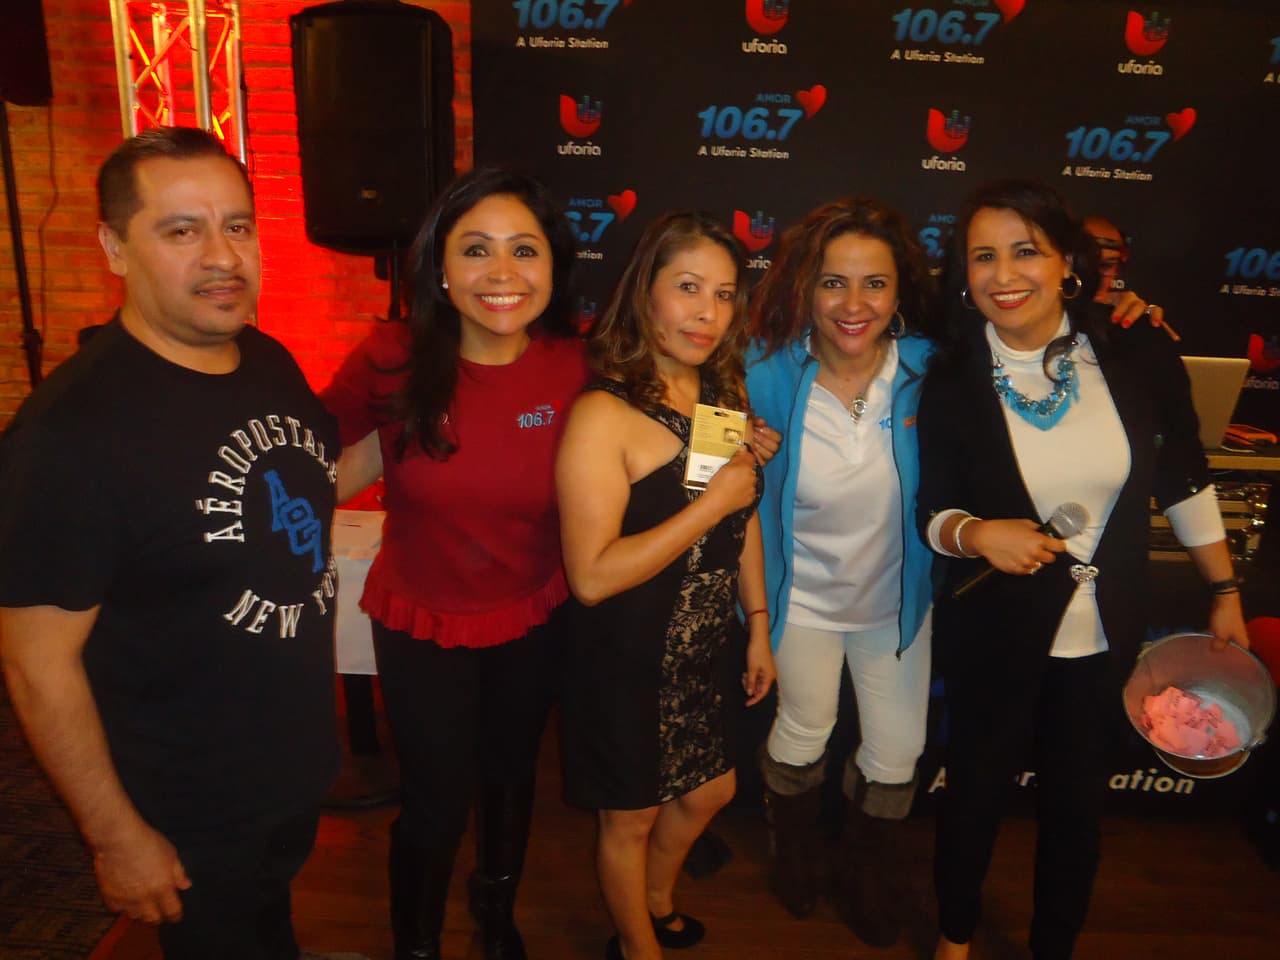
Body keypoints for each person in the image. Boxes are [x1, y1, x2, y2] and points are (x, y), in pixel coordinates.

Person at [0, 127, 363, 960]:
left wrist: (423, 423)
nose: (222, 256)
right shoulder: (69, 437)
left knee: (272, 933)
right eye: (181, 230)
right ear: (113, 248)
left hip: (289, 768)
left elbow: (309, 488)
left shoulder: (264, 358)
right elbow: (35, 664)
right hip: (186, 805)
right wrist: (115, 836)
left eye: (237, 226)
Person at [917, 179, 1247, 960]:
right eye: (983, 256)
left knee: (1077, 810)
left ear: (1068, 261)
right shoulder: (950, 374)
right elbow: (933, 511)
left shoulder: (1136, 349)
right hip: (994, 629)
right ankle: (954, 939)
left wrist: (1224, 590)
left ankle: (1054, 947)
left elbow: (1185, 477)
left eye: (1025, 251)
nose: (1004, 274)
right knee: (974, 795)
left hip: (1104, 636)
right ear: (963, 275)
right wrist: (976, 534)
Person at [321, 166, 588, 960]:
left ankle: (495, 916)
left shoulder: (579, 365)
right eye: (476, 249)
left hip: (533, 612)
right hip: (422, 619)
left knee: (510, 776)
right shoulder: (392, 356)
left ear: (553, 266)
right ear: (440, 267)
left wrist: (732, 443)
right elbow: (315, 460)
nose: (502, 272)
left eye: (524, 250)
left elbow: (666, 424)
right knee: (435, 800)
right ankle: (418, 944)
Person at [556, 212, 776, 960]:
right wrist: (713, 501)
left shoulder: (716, 390)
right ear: (644, 291)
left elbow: (737, 521)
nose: (707, 312)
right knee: (630, 818)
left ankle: (653, 901)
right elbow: (591, 578)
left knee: (712, 790)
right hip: (625, 655)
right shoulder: (603, 415)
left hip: (700, 647)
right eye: (688, 288)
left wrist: (757, 624)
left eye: (723, 294)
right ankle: (637, 946)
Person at [743, 198, 938, 947]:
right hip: (802, 601)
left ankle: (866, 872)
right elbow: (701, 461)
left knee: (898, 750)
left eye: (874, 283)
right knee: (806, 725)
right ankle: (794, 854)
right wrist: (731, 449)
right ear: (806, 287)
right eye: (833, 282)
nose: (854, 305)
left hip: (895, 603)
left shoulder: (930, 369)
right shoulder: (762, 372)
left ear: (899, 290)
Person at [1084, 214, 1178, 341]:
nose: (1096, 276)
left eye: (1107, 266)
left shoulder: (1121, 315)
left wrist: (1144, 322)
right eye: (1087, 263)